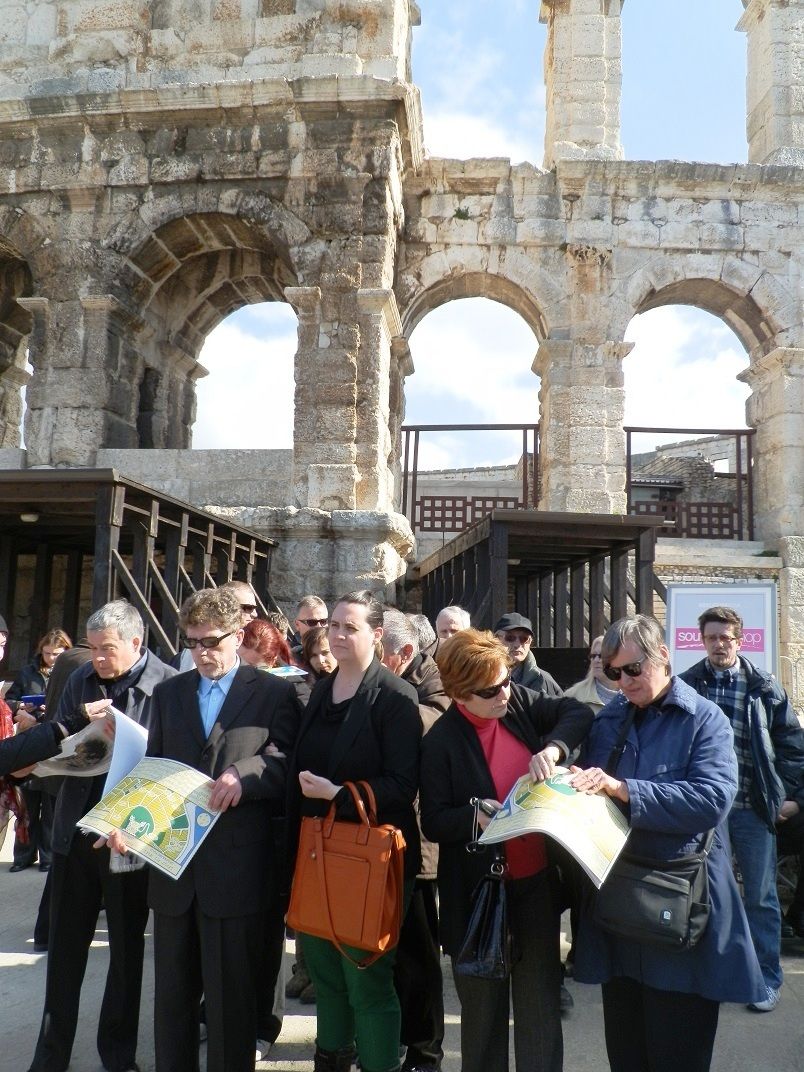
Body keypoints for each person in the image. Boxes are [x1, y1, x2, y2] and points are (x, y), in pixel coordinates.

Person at [570, 615, 766, 1072]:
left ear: (663, 657)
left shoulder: (704, 718)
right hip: (622, 907)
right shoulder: (613, 716)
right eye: (614, 672)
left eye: (633, 670)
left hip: (682, 905)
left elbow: (712, 799)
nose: (624, 683)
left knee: (678, 1053)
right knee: (627, 1055)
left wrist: (625, 790)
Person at [137, 587, 302, 1072]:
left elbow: (289, 762)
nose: (201, 652)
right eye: (191, 642)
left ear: (238, 636)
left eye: (211, 641)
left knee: (231, 1003)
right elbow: (153, 767)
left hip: (235, 870)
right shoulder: (169, 693)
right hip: (173, 867)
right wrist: (127, 822)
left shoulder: (273, 691)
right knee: (172, 1001)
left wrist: (245, 775)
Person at [420, 628, 593, 1072]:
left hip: (535, 887)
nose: (503, 693)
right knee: (482, 1019)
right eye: (490, 689)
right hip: (478, 895)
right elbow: (434, 820)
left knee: (539, 1010)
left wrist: (554, 749)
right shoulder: (441, 742)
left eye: (506, 679)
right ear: (460, 694)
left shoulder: (515, 701)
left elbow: (576, 712)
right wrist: (473, 816)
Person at [28, 600, 176, 1072]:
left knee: (127, 955)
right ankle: (50, 1057)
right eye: (93, 649)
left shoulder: (168, 685)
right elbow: (61, 744)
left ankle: (118, 1055)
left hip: (127, 837)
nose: (98, 659)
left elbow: (171, 766)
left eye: (108, 649)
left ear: (137, 643)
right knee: (64, 955)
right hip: (76, 830)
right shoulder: (80, 680)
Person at [288, 590, 421, 1072]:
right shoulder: (323, 688)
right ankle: (332, 1057)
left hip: (369, 858)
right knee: (324, 971)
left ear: (377, 634)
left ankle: (379, 1063)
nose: (339, 635)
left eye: (351, 627)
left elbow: (404, 785)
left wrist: (338, 794)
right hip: (320, 849)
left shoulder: (395, 696)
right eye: (335, 626)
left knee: (366, 975)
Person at [679, 605, 804, 1012]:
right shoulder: (687, 686)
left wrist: (790, 796)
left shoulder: (764, 686)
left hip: (751, 807)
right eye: (712, 637)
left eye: (726, 637)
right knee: (707, 895)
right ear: (702, 640)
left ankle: (766, 979)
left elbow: (792, 746)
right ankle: (714, 974)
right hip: (705, 811)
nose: (719, 644)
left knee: (761, 897)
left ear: (740, 639)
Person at [382, 610, 450, 1072]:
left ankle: (425, 1050)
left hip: (419, 842)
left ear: (403, 654)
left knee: (419, 952)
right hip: (376, 837)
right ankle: (393, 1038)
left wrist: (375, 703)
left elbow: (436, 719)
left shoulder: (435, 679)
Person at [7, 629, 72, 873]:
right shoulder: (28, 672)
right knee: (28, 804)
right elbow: (10, 701)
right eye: (48, 653)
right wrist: (22, 706)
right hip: (29, 741)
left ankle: (47, 857)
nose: (52, 658)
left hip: (54, 741)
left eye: (57, 654)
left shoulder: (70, 673)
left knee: (52, 804)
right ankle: (23, 856)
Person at [493, 613, 562, 696]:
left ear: (530, 643)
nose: (517, 644)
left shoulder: (543, 680)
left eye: (524, 639)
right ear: (496, 639)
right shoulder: (479, 675)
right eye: (510, 637)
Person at [565, 634, 620, 714]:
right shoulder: (573, 695)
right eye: (593, 656)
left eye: (601, 656)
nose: (596, 660)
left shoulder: (632, 695)